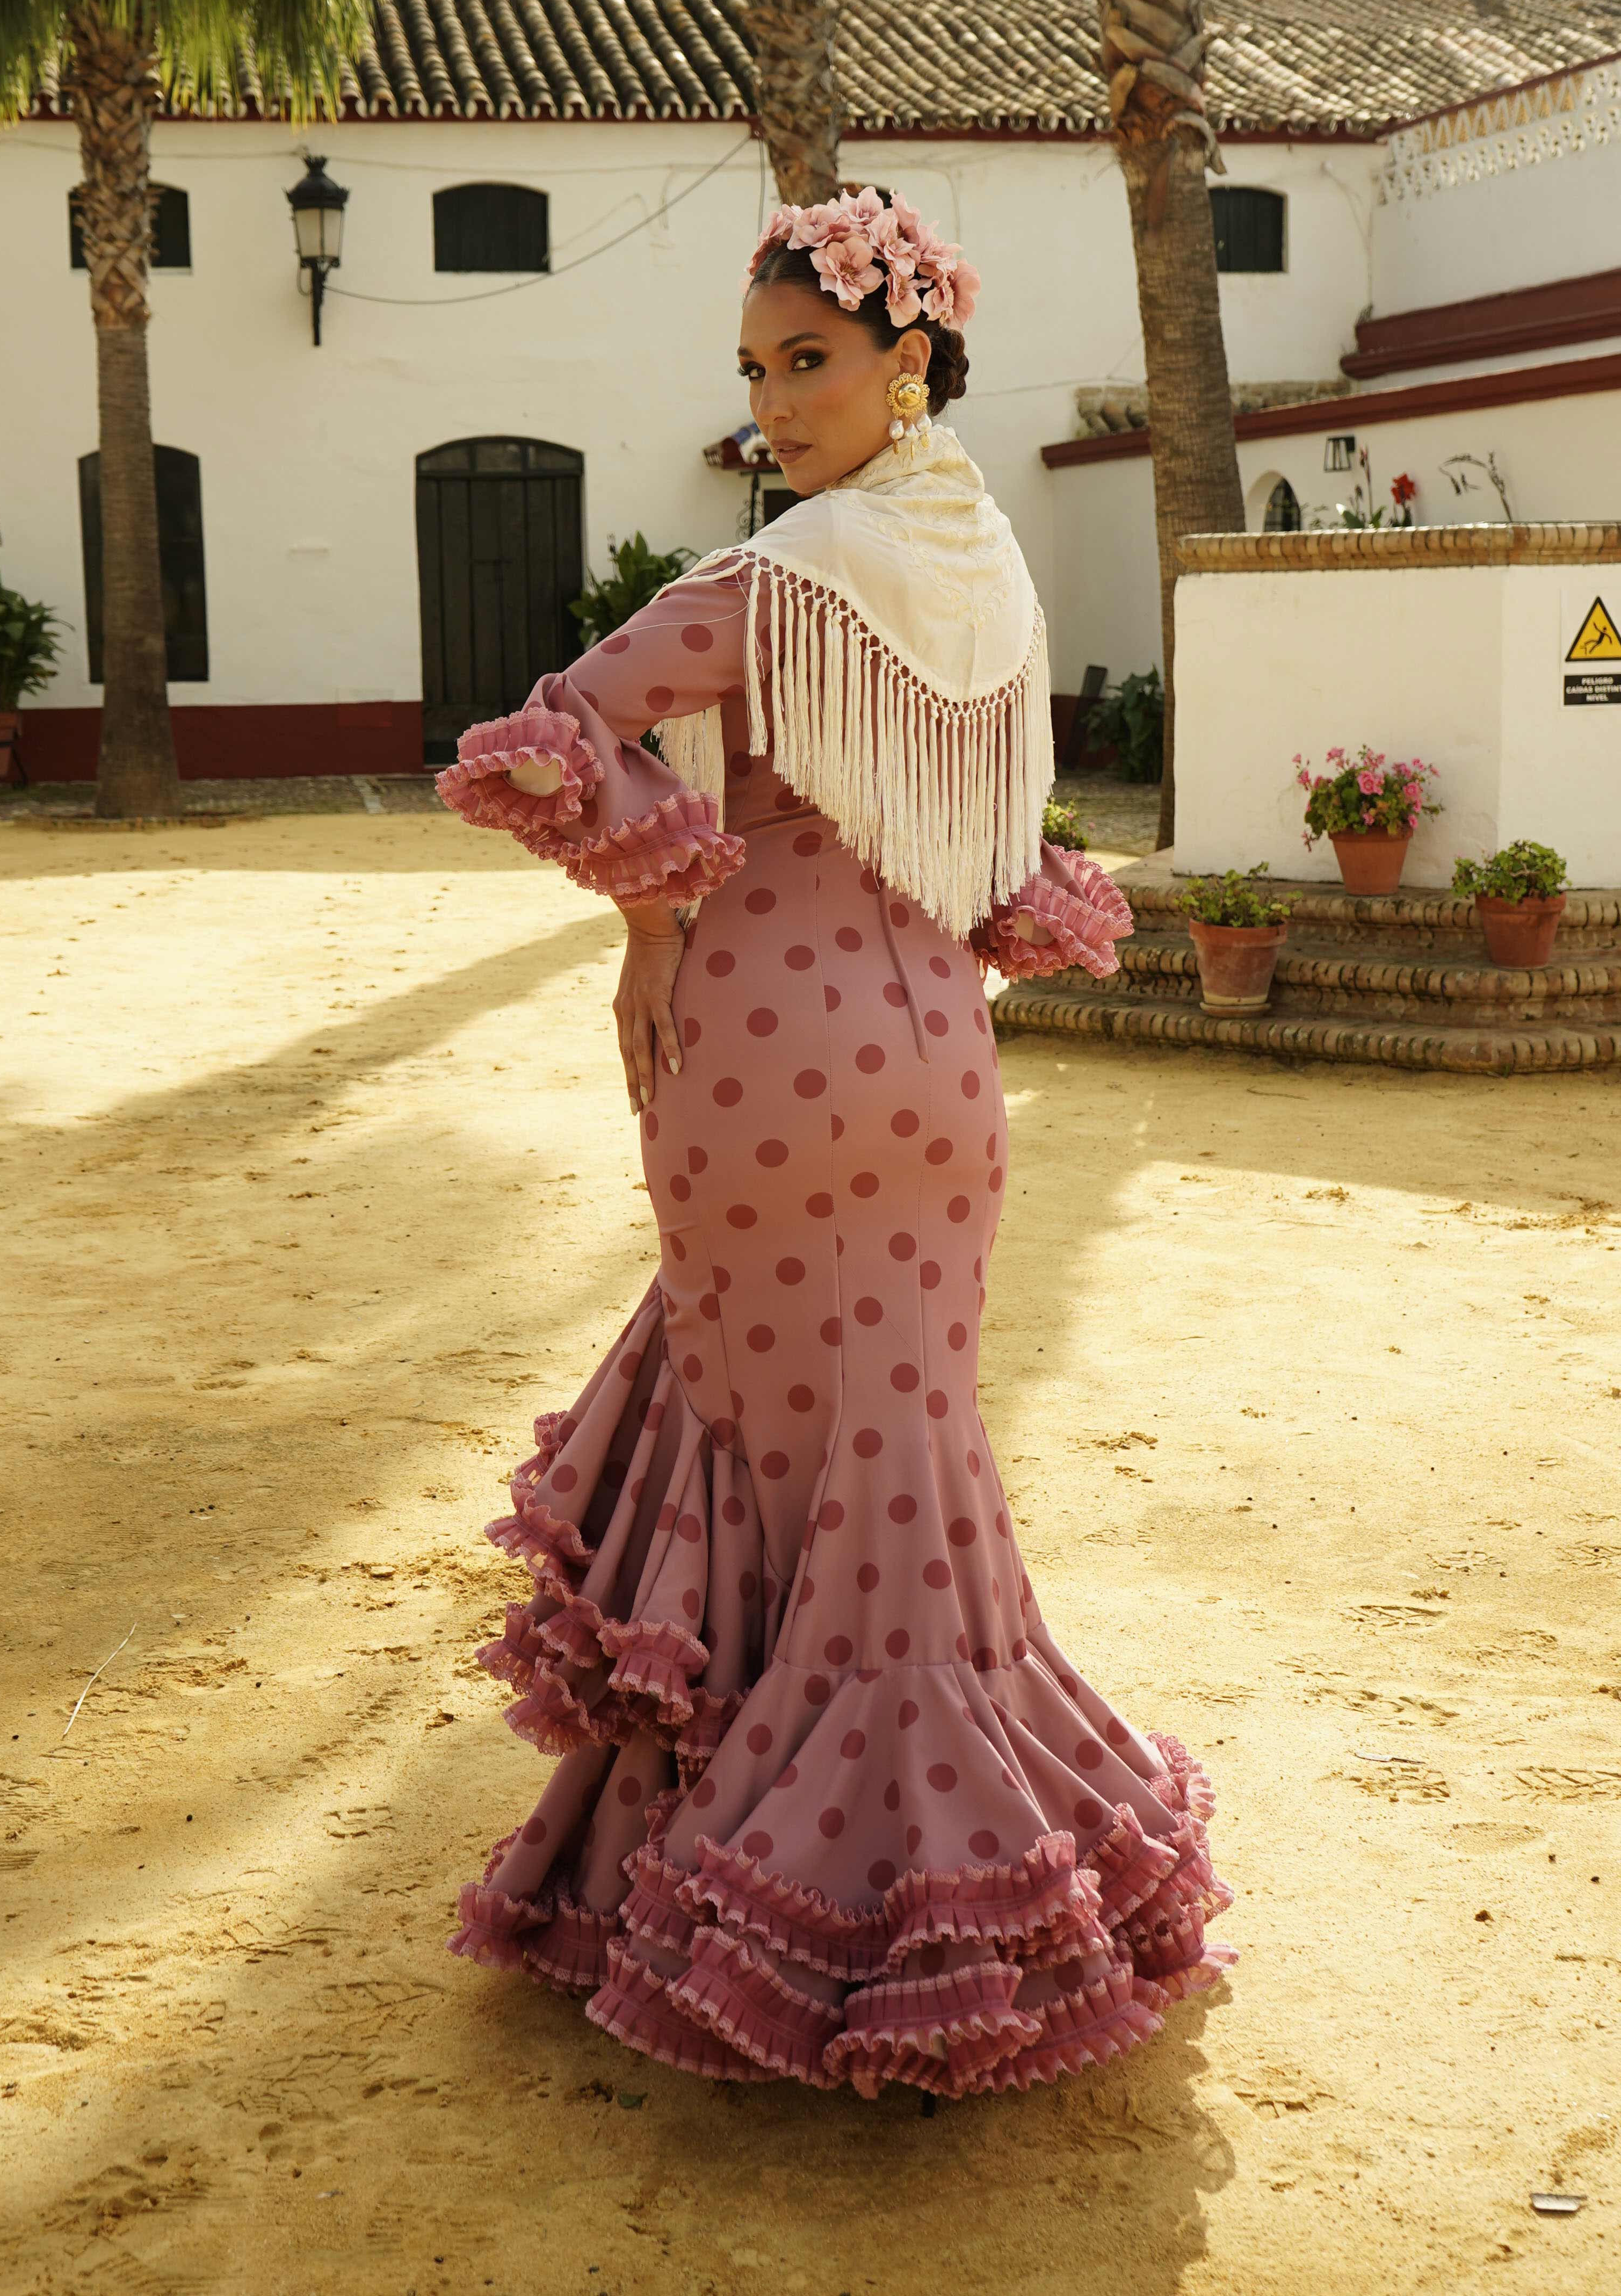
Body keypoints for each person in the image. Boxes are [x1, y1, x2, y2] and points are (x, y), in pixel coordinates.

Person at [436, 188, 1236, 2097]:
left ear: (910, 360)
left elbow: (555, 735)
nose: (777, 405)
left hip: (765, 1054)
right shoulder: (984, 575)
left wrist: (651, 925)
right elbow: (999, 870)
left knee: (767, 1438)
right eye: (756, 372)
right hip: (937, 1071)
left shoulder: (783, 579)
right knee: (908, 1455)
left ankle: (769, 1880)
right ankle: (955, 1863)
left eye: (810, 362)